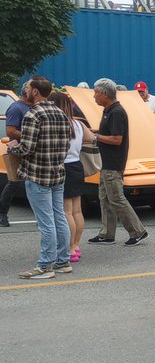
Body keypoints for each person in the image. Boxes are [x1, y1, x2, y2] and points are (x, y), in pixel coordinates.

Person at [14, 76, 72, 279]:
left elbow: (27, 147)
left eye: (28, 88)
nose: (26, 91)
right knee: (60, 218)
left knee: (46, 222)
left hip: (37, 174)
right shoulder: (61, 114)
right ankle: (63, 261)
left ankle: (45, 265)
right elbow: (66, 145)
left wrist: (13, 148)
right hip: (57, 172)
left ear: (35, 91)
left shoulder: (33, 115)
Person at [88, 78, 149, 247]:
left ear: (105, 94)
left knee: (116, 198)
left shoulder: (116, 112)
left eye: (96, 93)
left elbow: (116, 139)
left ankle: (138, 231)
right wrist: (96, 133)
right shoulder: (109, 110)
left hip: (113, 163)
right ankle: (107, 234)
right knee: (105, 198)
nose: (94, 96)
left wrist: (95, 137)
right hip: (106, 163)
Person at [51, 91, 90, 264]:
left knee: (66, 211)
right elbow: (90, 138)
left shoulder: (56, 123)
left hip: (63, 166)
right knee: (77, 210)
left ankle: (69, 247)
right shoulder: (77, 124)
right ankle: (76, 245)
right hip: (77, 166)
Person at [0, 86, 32, 227]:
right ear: (27, 92)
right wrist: (32, 135)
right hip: (18, 151)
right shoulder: (16, 108)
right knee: (14, 183)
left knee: (36, 185)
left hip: (33, 152)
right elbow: (11, 131)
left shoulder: (36, 107)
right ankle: (2, 215)